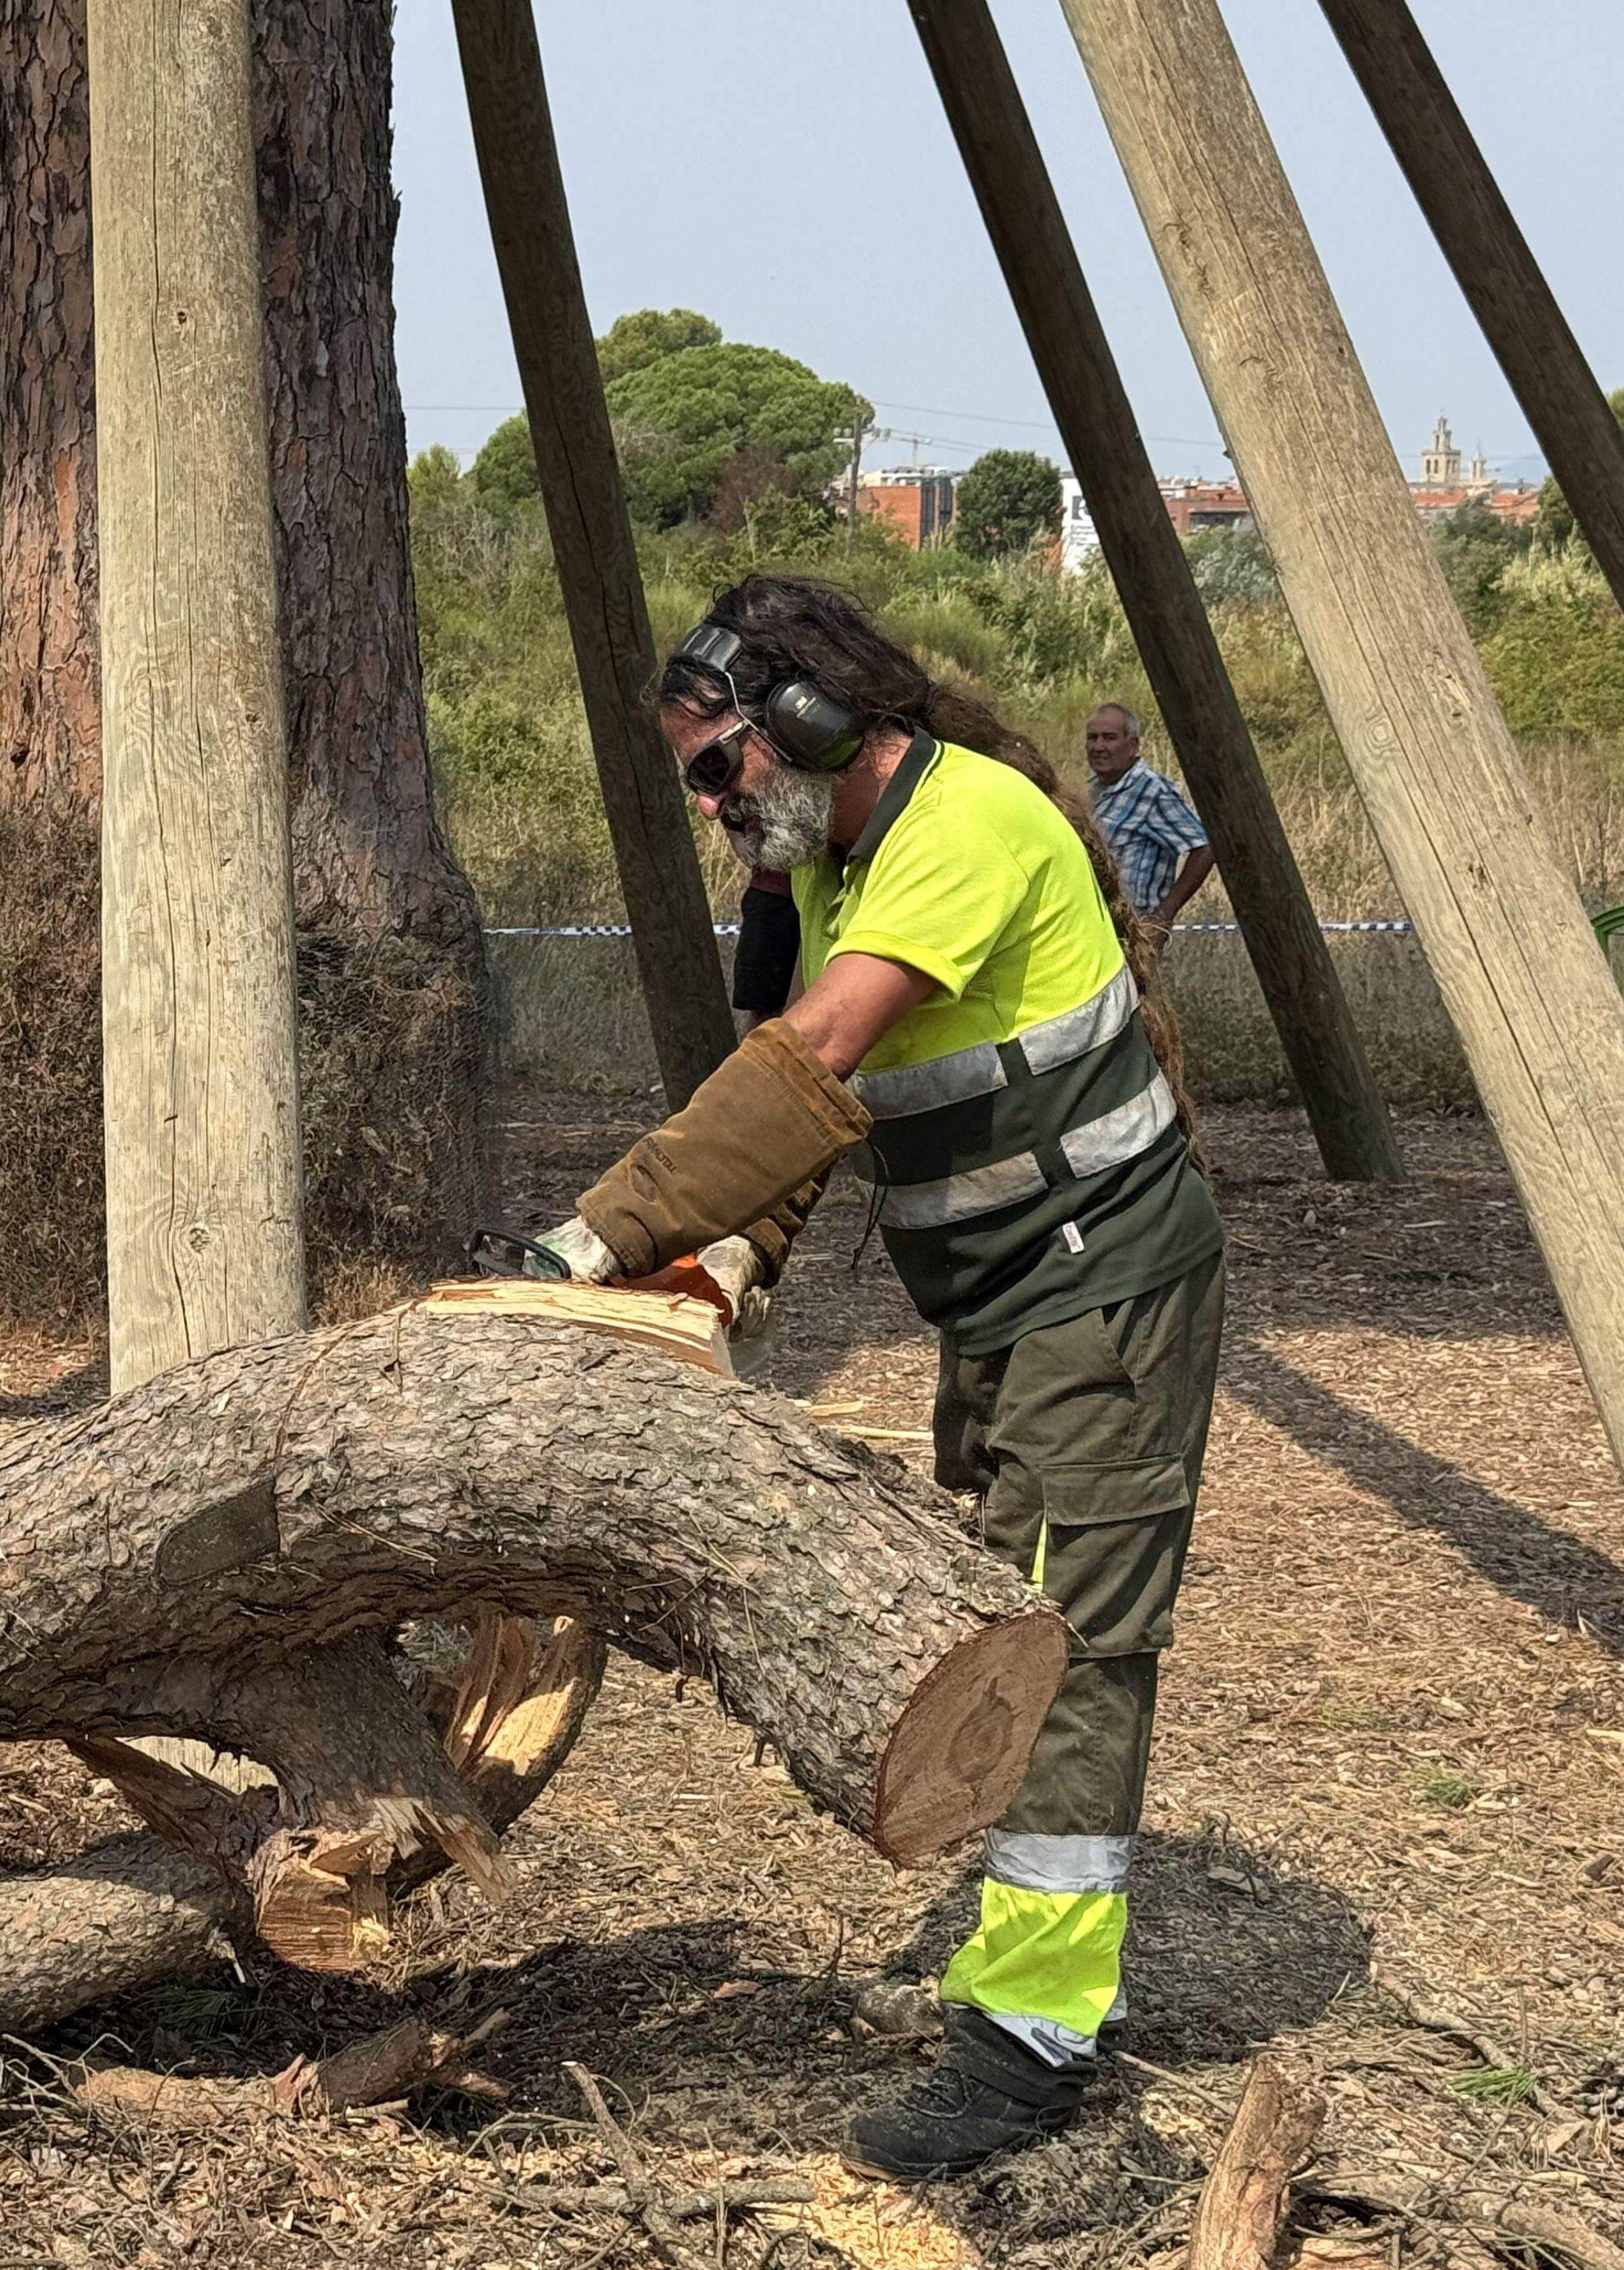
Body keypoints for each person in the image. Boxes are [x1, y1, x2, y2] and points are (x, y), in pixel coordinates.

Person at [536, 576, 1226, 2183]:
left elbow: (815, 1057)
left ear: (812, 717)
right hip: (1006, 1300)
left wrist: (589, 1240)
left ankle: (1033, 2034)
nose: (714, 806)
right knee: (999, 1610)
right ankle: (1023, 1966)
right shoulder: (830, 866)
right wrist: (714, 1264)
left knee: (1069, 1648)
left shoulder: (958, 829)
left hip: (1103, 1293)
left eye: (720, 766)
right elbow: (803, 1102)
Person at [1083, 703, 1214, 926]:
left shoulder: (1152, 791)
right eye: (1092, 738)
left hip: (1134, 930)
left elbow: (1205, 848)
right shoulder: (1095, 792)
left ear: (1132, 745)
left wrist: (1162, 918)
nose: (1098, 747)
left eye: (1109, 738)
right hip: (1097, 928)